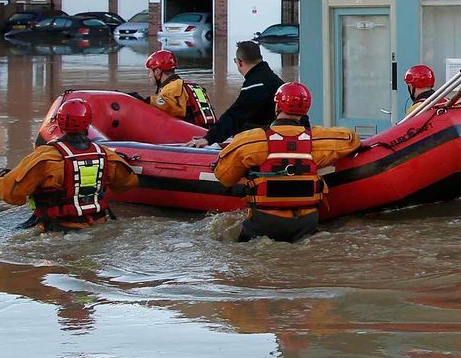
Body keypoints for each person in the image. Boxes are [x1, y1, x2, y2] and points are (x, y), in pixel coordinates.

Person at [212, 83, 360, 239]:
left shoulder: (251, 140)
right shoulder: (318, 139)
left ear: (277, 106)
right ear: (306, 109)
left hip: (265, 222)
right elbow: (351, 138)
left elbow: (224, 177)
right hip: (306, 222)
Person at [0, 97, 138, 231]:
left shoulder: (45, 157)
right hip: (98, 223)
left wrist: (2, 178)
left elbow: (11, 194)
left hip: (57, 229)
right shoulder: (106, 155)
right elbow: (127, 183)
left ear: (59, 124)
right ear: (88, 124)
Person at [199, 39, 284, 146]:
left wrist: (208, 139)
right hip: (282, 134)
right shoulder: (269, 77)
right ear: (260, 58)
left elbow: (236, 115)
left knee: (241, 129)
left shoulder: (256, 84)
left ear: (239, 62)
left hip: (273, 140)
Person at [145, 49, 213, 128]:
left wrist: (145, 100)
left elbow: (168, 105)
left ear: (157, 71)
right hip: (207, 129)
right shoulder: (192, 86)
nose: (149, 75)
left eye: (150, 71)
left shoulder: (173, 86)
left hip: (192, 132)